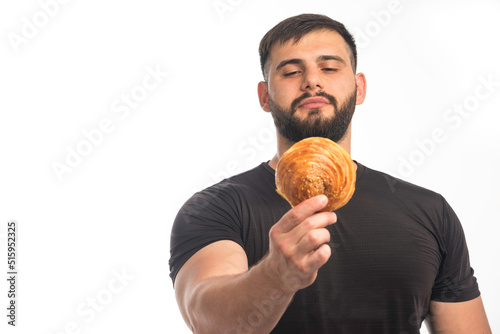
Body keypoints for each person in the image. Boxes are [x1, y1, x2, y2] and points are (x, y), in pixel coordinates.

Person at [169, 14, 491, 333]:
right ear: (265, 97)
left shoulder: (430, 212)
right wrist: (276, 277)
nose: (312, 80)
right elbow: (209, 323)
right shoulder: (216, 208)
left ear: (359, 87)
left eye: (330, 68)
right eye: (292, 71)